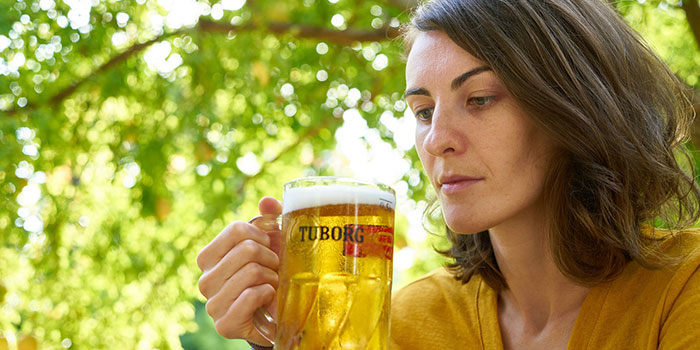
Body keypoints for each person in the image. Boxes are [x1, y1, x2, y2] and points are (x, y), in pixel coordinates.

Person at [195, 0, 700, 348]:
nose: (437, 139)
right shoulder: (407, 322)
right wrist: (282, 339)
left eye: (478, 100)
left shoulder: (683, 287)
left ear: (571, 108)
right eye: (422, 111)